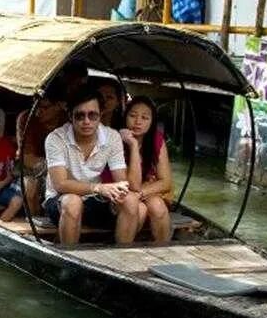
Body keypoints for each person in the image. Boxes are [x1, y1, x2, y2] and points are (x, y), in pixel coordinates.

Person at [43, 87, 140, 246]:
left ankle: (122, 254)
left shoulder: (112, 137)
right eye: (80, 116)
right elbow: (60, 184)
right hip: (60, 199)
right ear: (70, 116)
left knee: (130, 200)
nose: (86, 121)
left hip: (94, 199)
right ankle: (69, 261)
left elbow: (121, 180)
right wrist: (98, 188)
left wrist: (117, 189)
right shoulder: (55, 138)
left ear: (101, 114)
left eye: (92, 115)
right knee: (73, 202)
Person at [120, 96, 175, 245]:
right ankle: (123, 250)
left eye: (145, 118)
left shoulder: (156, 139)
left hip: (145, 191)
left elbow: (166, 182)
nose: (138, 122)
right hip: (121, 192)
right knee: (139, 207)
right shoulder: (116, 139)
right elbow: (127, 183)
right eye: (133, 116)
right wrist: (133, 146)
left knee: (157, 206)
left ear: (152, 122)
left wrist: (141, 193)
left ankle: (163, 250)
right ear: (125, 117)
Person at [15, 97, 66, 216]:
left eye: (45, 107)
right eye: (36, 106)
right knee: (29, 187)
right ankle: (34, 223)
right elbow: (27, 158)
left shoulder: (67, 120)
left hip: (62, 168)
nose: (38, 111)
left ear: (58, 106)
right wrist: (52, 167)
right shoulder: (26, 118)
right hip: (33, 168)